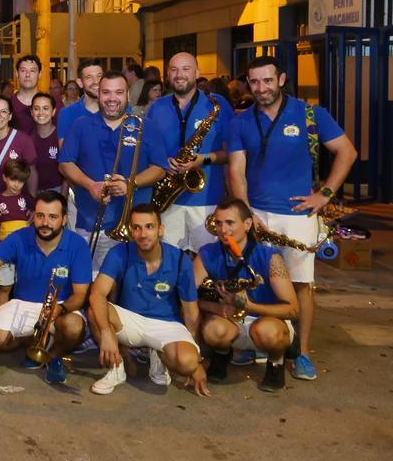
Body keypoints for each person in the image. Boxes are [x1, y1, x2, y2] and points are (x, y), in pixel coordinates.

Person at [227, 56, 356, 380]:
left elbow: (347, 152)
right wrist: (246, 213)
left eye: (267, 81)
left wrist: (324, 194)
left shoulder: (310, 114)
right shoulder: (241, 121)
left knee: (301, 286)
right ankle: (253, 341)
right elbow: (236, 171)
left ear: (281, 79)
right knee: (253, 280)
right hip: (256, 216)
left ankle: (303, 352)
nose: (261, 88)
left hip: (298, 216)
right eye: (254, 82)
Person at [87, 204, 208, 396]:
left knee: (186, 362)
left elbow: (191, 311)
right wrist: (106, 333)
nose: (143, 234)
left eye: (149, 227)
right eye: (137, 228)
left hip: (166, 325)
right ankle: (116, 370)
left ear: (161, 229)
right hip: (130, 322)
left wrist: (197, 360)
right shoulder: (120, 253)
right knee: (95, 310)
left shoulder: (179, 260)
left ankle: (159, 354)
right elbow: (97, 293)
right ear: (131, 231)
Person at [0, 191, 92, 384]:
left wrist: (59, 309)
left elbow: (80, 295)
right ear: (33, 216)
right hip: (23, 303)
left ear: (64, 219)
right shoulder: (20, 237)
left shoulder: (77, 244)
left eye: (52, 217)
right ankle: (34, 342)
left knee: (73, 327)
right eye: (40, 215)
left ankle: (53, 355)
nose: (45, 222)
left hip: (60, 307)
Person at [58, 71, 167, 270]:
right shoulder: (80, 125)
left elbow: (160, 168)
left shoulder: (145, 127)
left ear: (128, 95)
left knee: (128, 288)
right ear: (98, 95)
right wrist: (91, 185)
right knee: (90, 283)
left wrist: (130, 183)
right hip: (91, 222)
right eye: (106, 92)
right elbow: (65, 164)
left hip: (136, 226)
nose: (112, 98)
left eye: (118, 92)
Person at [196, 198, 300, 392]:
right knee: (212, 330)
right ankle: (221, 355)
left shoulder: (271, 257)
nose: (223, 229)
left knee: (267, 332)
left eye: (230, 223)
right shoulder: (208, 253)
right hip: (231, 321)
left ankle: (276, 362)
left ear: (247, 224)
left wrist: (249, 306)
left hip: (267, 321)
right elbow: (187, 296)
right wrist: (215, 307)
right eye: (218, 223)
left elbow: (294, 310)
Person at [146, 53, 233, 253]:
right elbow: (146, 151)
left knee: (207, 266)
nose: (179, 74)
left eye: (186, 69)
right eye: (174, 70)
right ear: (167, 75)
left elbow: (231, 153)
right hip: (167, 201)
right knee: (168, 263)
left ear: (197, 73)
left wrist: (203, 159)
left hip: (207, 202)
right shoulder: (157, 107)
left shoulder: (217, 106)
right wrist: (162, 161)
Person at [0, 159, 34, 309]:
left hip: (26, 250)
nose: (17, 185)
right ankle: (1, 318)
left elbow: (34, 219)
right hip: (5, 251)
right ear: (4, 178)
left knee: (26, 284)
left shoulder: (28, 199)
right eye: (13, 179)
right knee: (4, 287)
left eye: (21, 181)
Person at [0, 95, 38, 197]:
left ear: (10, 116)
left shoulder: (23, 140)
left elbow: (31, 174)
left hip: (15, 204)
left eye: (3, 111)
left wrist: (32, 202)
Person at [57, 59, 103, 143]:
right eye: (89, 77)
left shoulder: (120, 110)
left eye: (99, 76)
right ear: (80, 83)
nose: (96, 81)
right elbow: (65, 153)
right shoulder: (67, 113)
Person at [29, 93, 63, 194]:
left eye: (45, 108)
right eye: (36, 108)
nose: (41, 112)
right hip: (35, 191)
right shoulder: (27, 137)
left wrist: (63, 198)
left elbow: (67, 170)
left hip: (58, 191)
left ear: (53, 111)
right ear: (31, 112)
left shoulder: (61, 136)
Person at [10, 55, 43, 136]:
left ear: (39, 74)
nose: (27, 75)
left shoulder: (53, 103)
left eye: (32, 71)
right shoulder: (8, 104)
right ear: (17, 73)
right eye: (23, 70)